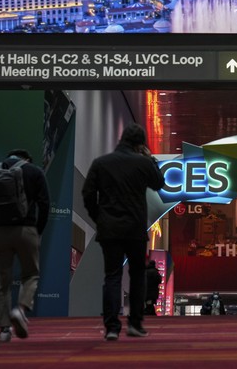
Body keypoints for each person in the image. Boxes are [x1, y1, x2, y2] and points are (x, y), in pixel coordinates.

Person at [82, 123, 165, 341]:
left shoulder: (102, 163)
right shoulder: (142, 163)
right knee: (137, 275)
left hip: (109, 229)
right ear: (140, 143)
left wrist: (98, 217)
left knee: (112, 276)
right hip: (135, 228)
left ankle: (111, 326)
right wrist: (151, 159)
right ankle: (135, 324)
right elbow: (159, 183)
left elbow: (88, 193)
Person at [0, 149, 50, 343]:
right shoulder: (34, 171)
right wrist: (37, 231)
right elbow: (45, 203)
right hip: (26, 229)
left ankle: (4, 330)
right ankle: (20, 310)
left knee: (2, 282)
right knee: (31, 274)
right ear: (27, 159)